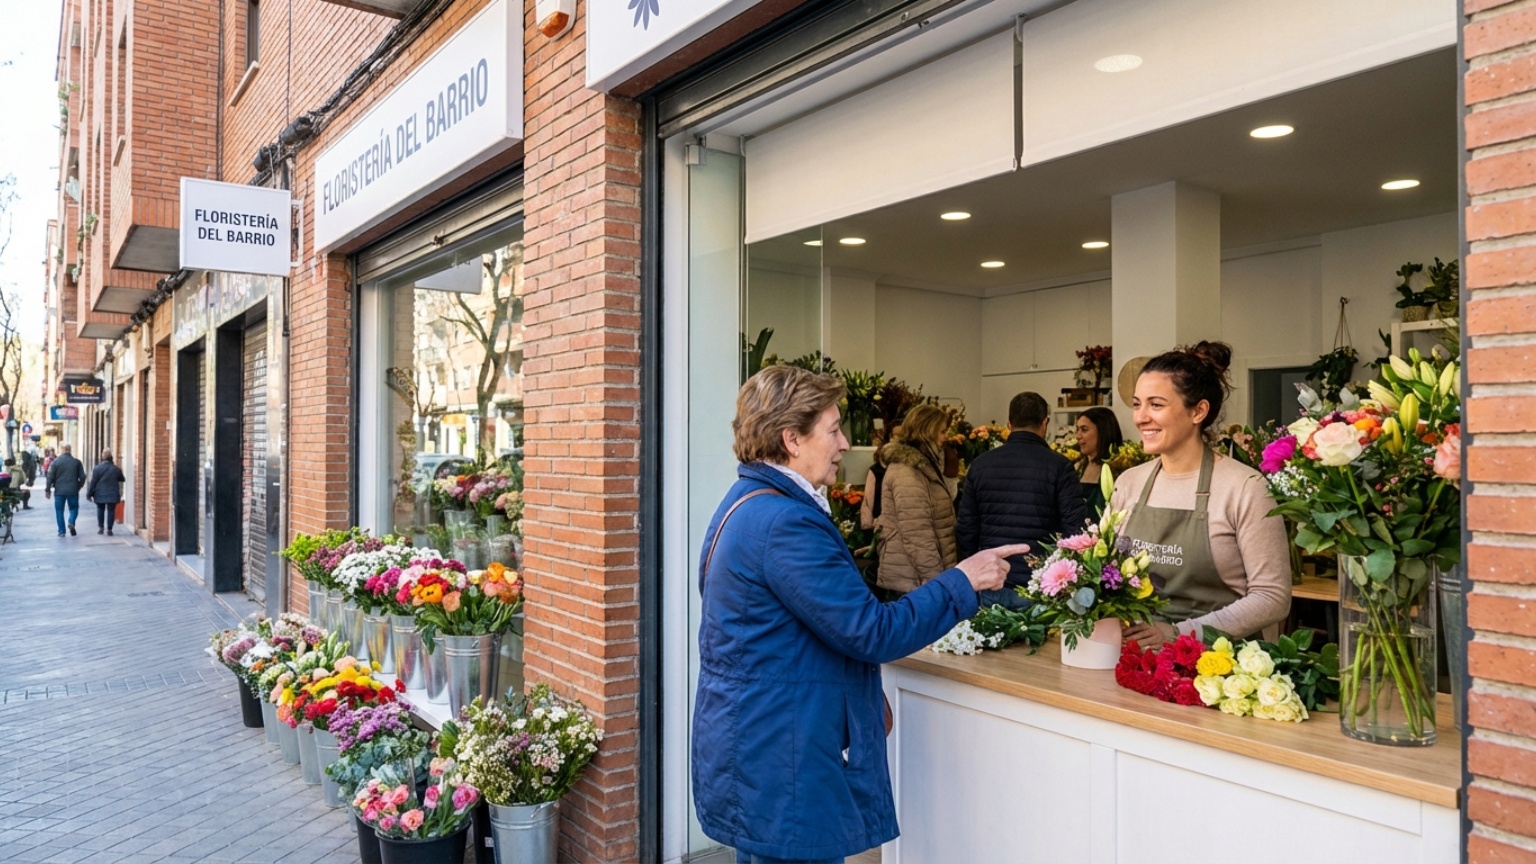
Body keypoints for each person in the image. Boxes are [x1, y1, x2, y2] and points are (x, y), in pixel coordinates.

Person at [692, 365, 1024, 864]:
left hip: (765, 745)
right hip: (786, 756)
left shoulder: (748, 503)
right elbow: (871, 631)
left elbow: (798, 633)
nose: (845, 443)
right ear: (792, 440)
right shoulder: (784, 522)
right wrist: (964, 579)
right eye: (833, 429)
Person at [1111, 341, 1292, 647]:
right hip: (1138, 657)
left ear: (1198, 411)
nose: (1140, 417)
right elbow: (1107, 573)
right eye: (1137, 403)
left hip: (1222, 667)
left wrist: (1179, 633)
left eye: (1156, 405)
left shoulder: (1244, 487)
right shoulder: (1129, 483)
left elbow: (1272, 598)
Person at [956, 391, 1089, 609]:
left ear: (1008, 424)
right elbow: (1074, 530)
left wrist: (979, 564)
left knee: (991, 642)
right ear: (1045, 423)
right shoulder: (1060, 466)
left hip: (991, 579)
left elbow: (966, 528)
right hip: (1041, 583)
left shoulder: (980, 465)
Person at [873, 405, 958, 594]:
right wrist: (938, 586)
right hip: (914, 582)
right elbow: (918, 535)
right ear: (927, 431)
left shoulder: (923, 465)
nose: (945, 437)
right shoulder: (908, 472)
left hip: (920, 578)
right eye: (942, 432)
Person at [1074, 407, 1125, 517]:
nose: (1078, 436)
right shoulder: (1078, 467)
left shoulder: (1119, 468)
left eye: (1084, 430)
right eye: (1077, 430)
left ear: (1103, 431)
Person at [858, 424, 900, 532]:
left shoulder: (910, 467)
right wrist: (868, 524)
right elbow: (868, 499)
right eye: (897, 435)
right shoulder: (876, 470)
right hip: (880, 524)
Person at [45, 444, 86, 537]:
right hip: (73, 490)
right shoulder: (77, 462)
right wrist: (79, 486)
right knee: (74, 508)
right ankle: (71, 522)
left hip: (59, 491)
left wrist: (48, 490)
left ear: (61, 450)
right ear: (70, 450)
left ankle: (61, 531)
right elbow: (83, 477)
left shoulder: (55, 462)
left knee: (59, 510)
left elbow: (50, 477)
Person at [86, 448, 127, 536]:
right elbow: (122, 479)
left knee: (100, 509)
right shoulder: (116, 469)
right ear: (111, 457)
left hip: (100, 493)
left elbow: (93, 482)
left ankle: (101, 528)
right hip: (112, 493)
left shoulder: (97, 469)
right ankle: (109, 529)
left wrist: (89, 494)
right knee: (111, 511)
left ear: (102, 457)